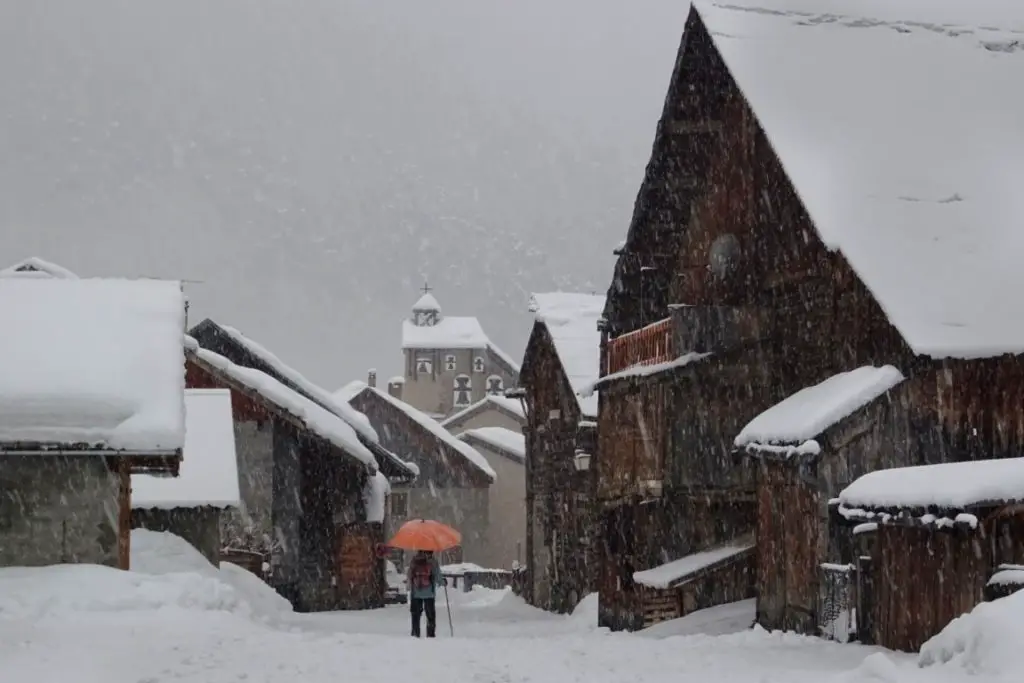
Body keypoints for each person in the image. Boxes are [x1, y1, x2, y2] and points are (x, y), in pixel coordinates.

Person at [406, 550, 444, 638]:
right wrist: (442, 582)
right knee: (430, 615)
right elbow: (437, 576)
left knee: (416, 614)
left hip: (416, 592)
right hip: (429, 593)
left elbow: (409, 574)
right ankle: (430, 634)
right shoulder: (433, 561)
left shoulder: (415, 560)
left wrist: (409, 586)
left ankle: (415, 633)